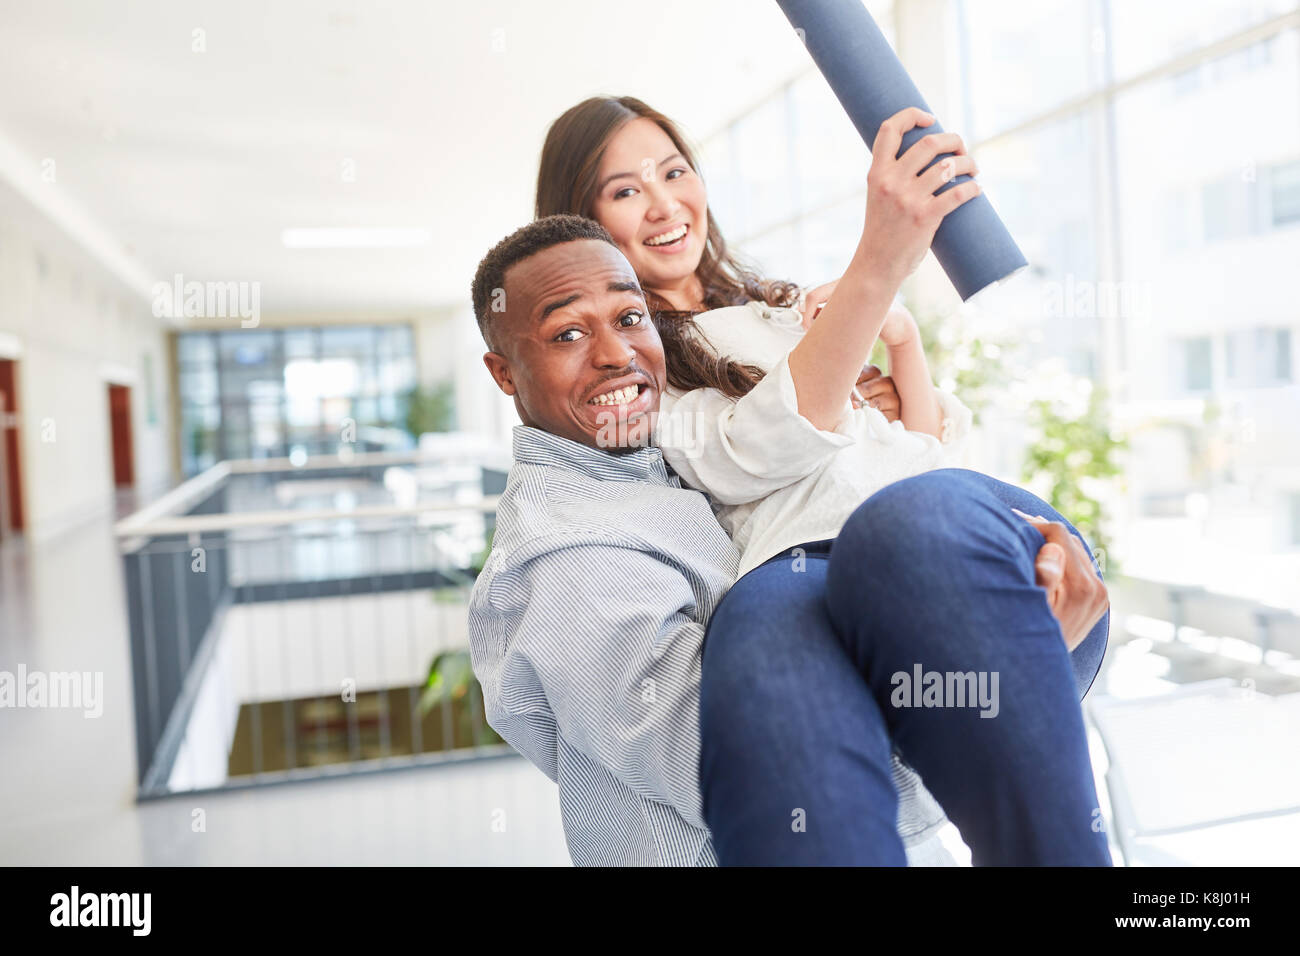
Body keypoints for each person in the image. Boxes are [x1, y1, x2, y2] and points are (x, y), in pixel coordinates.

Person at [533, 96, 1112, 864]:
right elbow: (749, 451)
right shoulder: (636, 363)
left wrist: (894, 330)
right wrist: (873, 279)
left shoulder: (778, 308)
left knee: (899, 525)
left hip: (930, 528)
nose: (665, 203)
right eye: (626, 189)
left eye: (674, 171)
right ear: (583, 220)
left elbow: (917, 445)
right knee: (760, 677)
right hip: (792, 564)